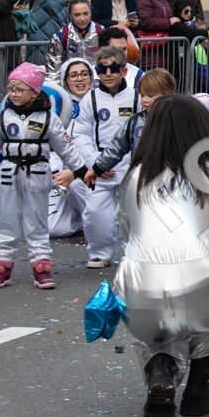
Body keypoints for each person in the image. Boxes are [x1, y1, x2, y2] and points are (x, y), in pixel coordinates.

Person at [111, 94, 209, 417]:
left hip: (141, 285)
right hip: (204, 282)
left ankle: (161, 370)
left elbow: (124, 230)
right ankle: (200, 383)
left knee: (156, 308)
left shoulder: (136, 176)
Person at [0, 63, 84, 291]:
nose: (13, 93)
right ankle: (2, 264)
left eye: (19, 89)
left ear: (34, 92)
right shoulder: (3, 117)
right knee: (7, 219)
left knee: (38, 221)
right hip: (9, 172)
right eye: (11, 88)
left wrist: (81, 170)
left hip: (38, 173)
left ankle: (41, 265)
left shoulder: (48, 118)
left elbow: (65, 147)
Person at [70, 45, 142, 269]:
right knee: (95, 212)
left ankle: (135, 253)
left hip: (129, 164)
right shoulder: (90, 99)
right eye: (102, 70)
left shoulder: (137, 98)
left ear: (124, 71)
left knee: (134, 213)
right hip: (100, 168)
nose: (108, 74)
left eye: (114, 69)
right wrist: (95, 162)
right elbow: (80, 134)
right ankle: (99, 253)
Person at [46, 58, 96, 247]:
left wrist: (75, 172)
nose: (79, 79)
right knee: (52, 228)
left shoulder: (100, 103)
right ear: (65, 80)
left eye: (84, 74)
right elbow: (53, 145)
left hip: (93, 172)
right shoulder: (58, 107)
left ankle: (98, 222)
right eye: (73, 75)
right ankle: (83, 218)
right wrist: (55, 170)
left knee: (76, 185)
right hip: (63, 172)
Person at [44, 0, 104, 74]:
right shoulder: (61, 36)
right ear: (70, 15)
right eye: (77, 15)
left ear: (91, 12)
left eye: (86, 14)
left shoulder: (102, 32)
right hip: (71, 78)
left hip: (97, 78)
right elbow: (53, 70)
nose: (82, 19)